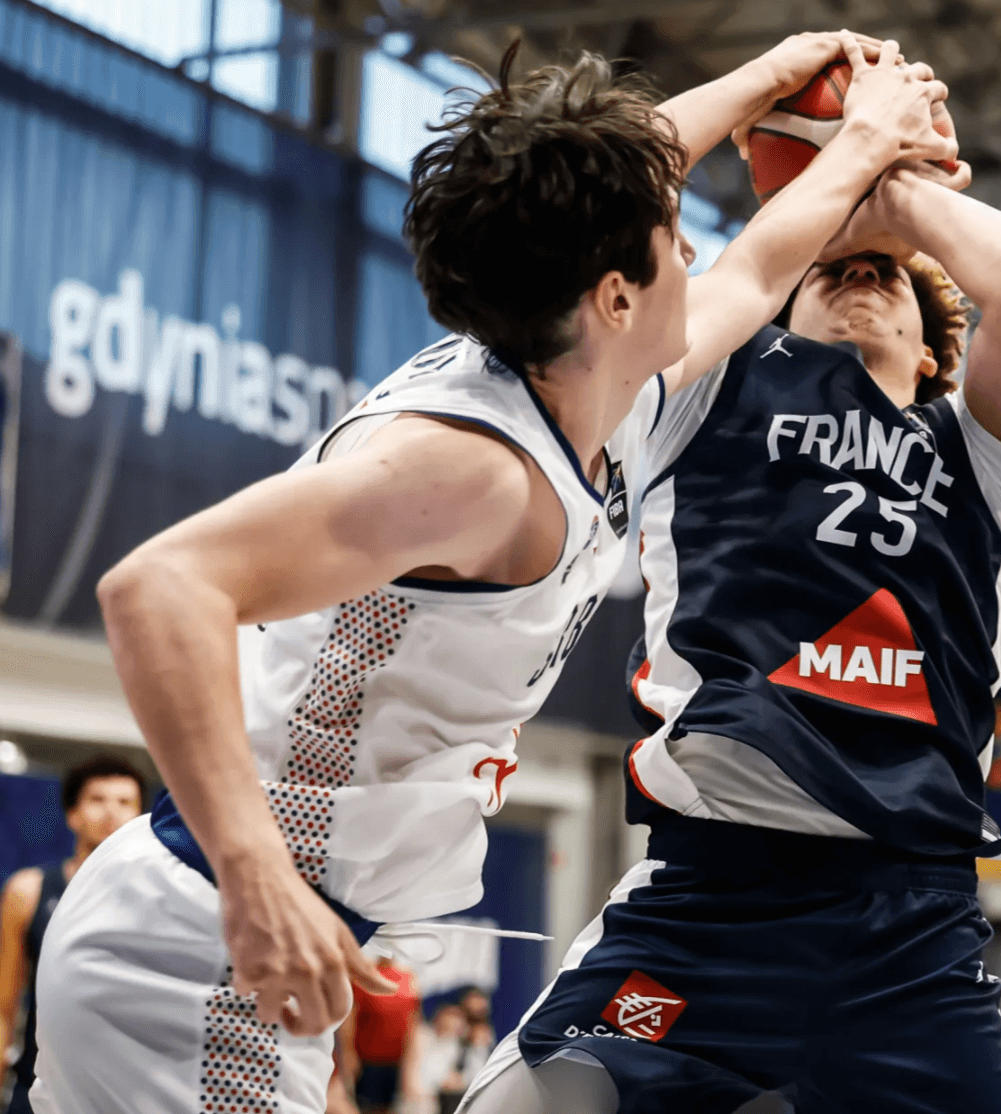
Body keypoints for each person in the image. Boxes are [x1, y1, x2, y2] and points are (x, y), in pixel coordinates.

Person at [28, 30, 953, 1114]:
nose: (694, 253)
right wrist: (255, 881)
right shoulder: (473, 469)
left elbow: (745, 250)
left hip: (236, 937)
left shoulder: (594, 383)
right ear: (614, 296)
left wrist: (797, 90)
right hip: (210, 941)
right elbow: (160, 587)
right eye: (670, 238)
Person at [462, 59, 1001, 1114]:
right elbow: (676, 244)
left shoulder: (983, 461)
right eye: (832, 269)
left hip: (912, 920)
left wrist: (886, 180)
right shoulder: (703, 397)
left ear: (936, 354)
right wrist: (844, 167)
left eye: (887, 276)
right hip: (713, 894)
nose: (859, 276)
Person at [0, 756, 143, 1114]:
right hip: (38, 1089)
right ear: (72, 814)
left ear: (142, 819)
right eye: (97, 800)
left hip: (126, 1094)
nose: (111, 812)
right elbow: (3, 1008)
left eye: (125, 802)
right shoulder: (29, 891)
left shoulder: (162, 899)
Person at [340, 954, 422, 1113]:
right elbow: (350, 1020)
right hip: (367, 1058)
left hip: (396, 1060)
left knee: (390, 1107)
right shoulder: (363, 975)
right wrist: (348, 1053)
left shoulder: (408, 977)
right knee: (366, 1107)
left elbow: (413, 1021)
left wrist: (411, 1062)